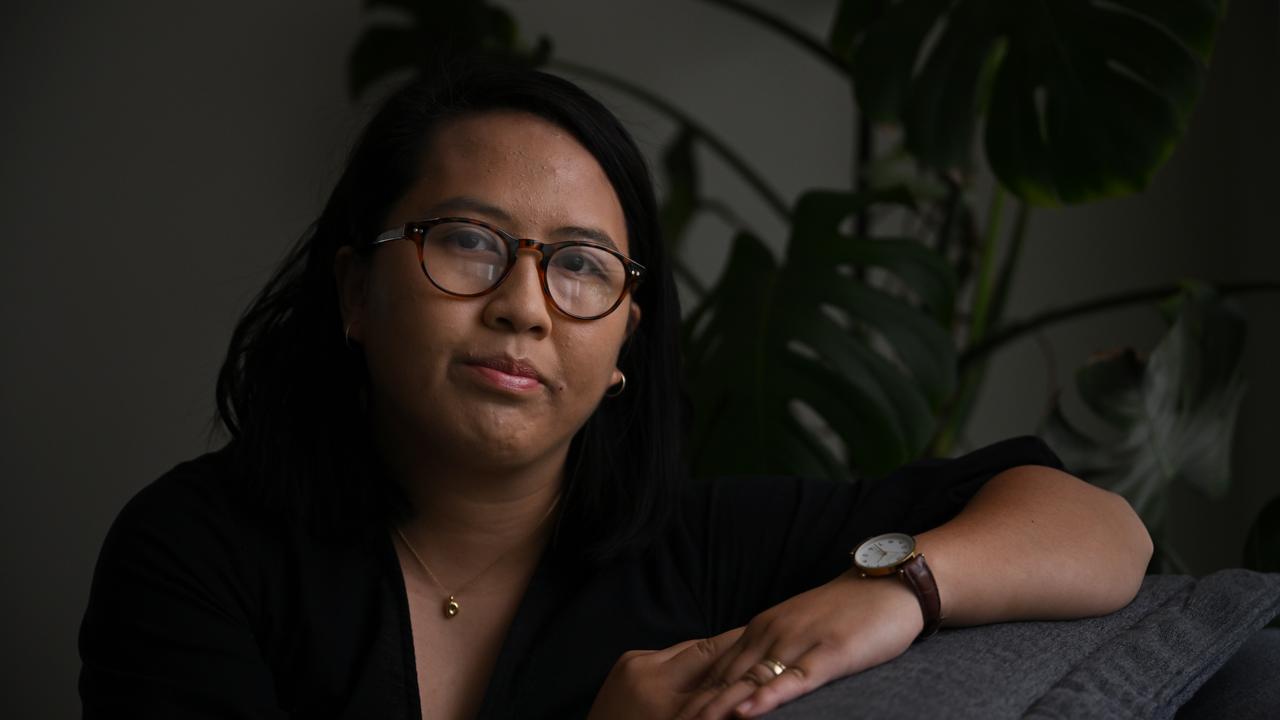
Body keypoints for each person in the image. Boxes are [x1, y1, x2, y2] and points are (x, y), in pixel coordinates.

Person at [78, 60, 1153, 720]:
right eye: (466, 241)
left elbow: (1099, 530)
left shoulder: (699, 544)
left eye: (582, 266)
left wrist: (893, 591)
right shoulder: (194, 554)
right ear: (354, 289)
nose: (525, 306)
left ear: (626, 341)